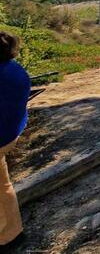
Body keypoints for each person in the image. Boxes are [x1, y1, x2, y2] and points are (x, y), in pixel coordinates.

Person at [0, 31, 30, 247]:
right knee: (3, 185)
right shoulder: (15, 69)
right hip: (10, 134)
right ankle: (11, 233)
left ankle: (9, 236)